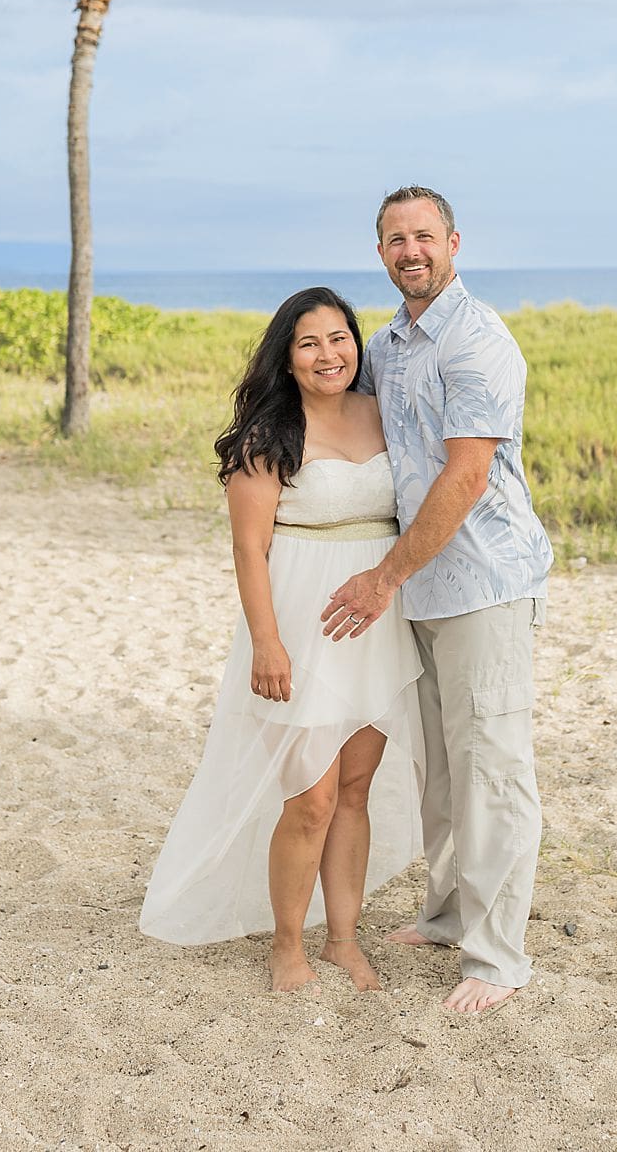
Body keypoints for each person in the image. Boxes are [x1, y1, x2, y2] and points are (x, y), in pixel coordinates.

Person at [139, 287, 424, 993]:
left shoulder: (383, 416)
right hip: (299, 626)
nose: (329, 354)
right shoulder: (266, 438)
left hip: (376, 624)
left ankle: (344, 940)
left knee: (355, 790)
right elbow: (247, 550)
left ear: (356, 345)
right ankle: (287, 947)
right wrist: (267, 644)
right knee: (312, 800)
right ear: (287, 358)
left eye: (339, 339)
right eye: (309, 343)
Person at [321, 187, 553, 1016]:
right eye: (394, 239)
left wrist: (381, 577)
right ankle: (452, 913)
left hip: (484, 582)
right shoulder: (388, 343)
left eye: (423, 236)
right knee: (443, 768)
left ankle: (497, 957)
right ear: (379, 252)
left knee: (493, 767)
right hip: (421, 589)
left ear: (454, 241)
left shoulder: (476, 339)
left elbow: (465, 475)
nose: (410, 250)